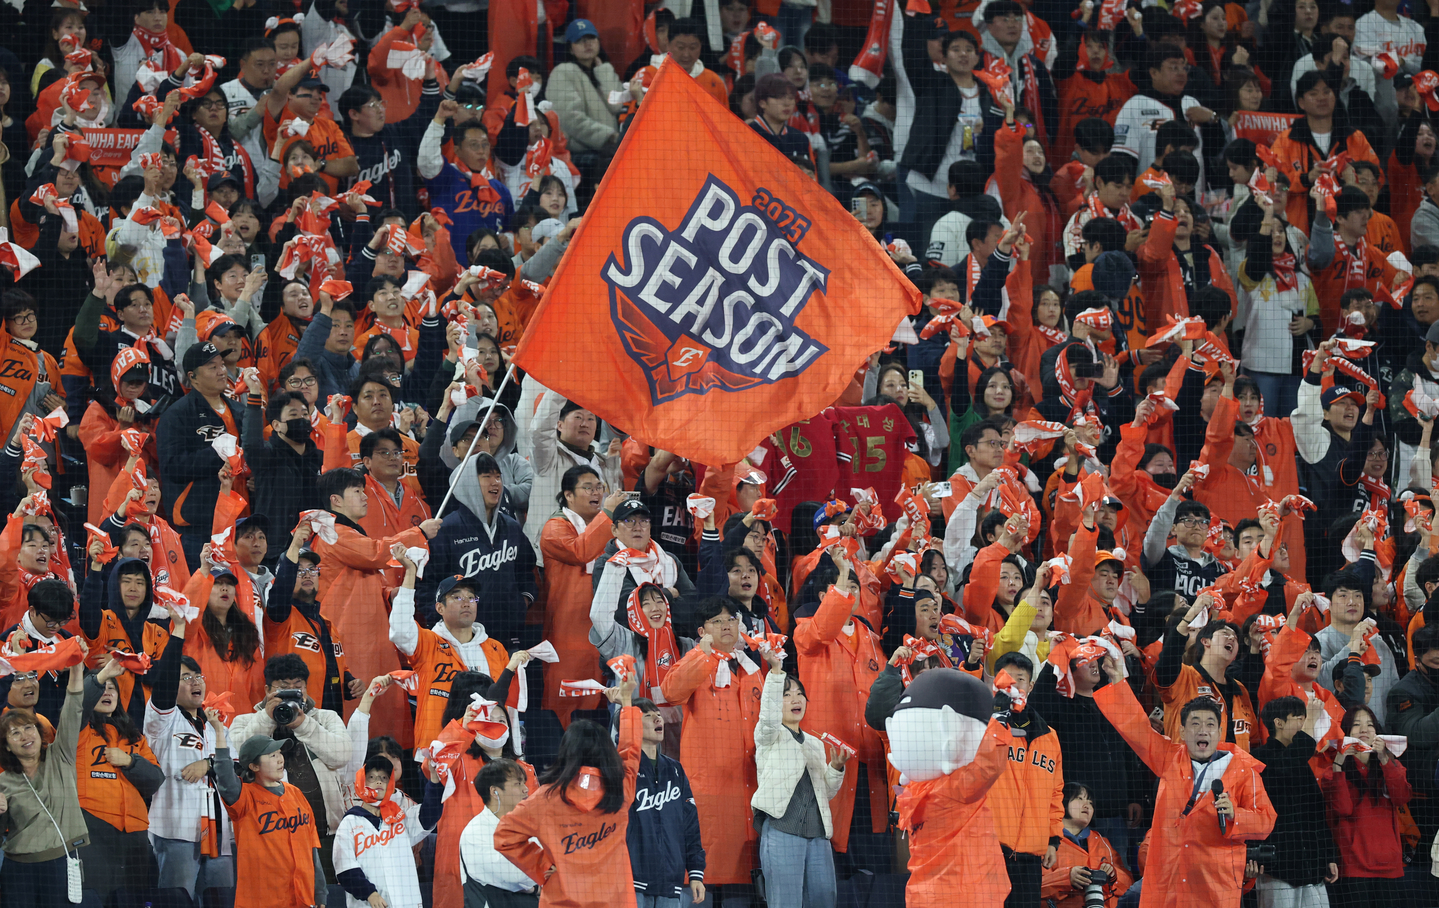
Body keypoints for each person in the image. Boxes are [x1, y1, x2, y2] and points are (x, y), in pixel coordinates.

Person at [1095, 655, 1277, 908]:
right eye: (1195, 724)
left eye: (1210, 724)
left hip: (1214, 885)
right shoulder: (1169, 758)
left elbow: (1265, 820)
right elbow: (1136, 730)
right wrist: (1117, 680)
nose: (1203, 730)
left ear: (1220, 731)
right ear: (1181, 732)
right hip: (1169, 881)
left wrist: (1237, 814)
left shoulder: (1245, 770)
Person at [312, 468, 438, 746]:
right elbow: (376, 553)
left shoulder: (348, 533)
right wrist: (418, 533)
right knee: (363, 709)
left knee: (383, 707)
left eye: (363, 489)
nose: (364, 496)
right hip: (349, 639)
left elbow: (364, 581)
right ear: (335, 500)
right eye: (356, 491)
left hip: (370, 636)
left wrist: (390, 594)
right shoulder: (332, 532)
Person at [493, 675, 642, 908]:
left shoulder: (545, 799)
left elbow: (504, 837)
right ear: (607, 752)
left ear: (565, 752)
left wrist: (541, 866)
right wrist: (627, 703)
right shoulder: (620, 788)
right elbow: (630, 751)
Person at [144, 601, 234, 901]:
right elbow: (165, 682)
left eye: (199, 677)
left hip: (219, 833)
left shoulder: (214, 723)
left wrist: (208, 764)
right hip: (175, 830)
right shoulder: (162, 720)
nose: (196, 682)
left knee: (221, 900)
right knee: (177, 900)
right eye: (186, 678)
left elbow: (234, 764)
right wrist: (179, 631)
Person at [227, 654, 352, 870]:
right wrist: (267, 718)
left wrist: (304, 725)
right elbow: (240, 753)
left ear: (306, 688)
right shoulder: (245, 721)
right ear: (268, 691)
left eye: (297, 686)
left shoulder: (326, 718)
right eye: (283, 687)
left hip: (326, 835)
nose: (292, 692)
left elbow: (341, 755)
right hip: (269, 838)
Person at [389, 548, 513, 749]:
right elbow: (400, 629)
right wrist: (410, 572)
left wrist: (514, 750)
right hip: (437, 752)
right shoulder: (427, 642)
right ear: (439, 608)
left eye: (471, 598)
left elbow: (507, 704)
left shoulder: (496, 649)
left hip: (486, 751)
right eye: (457, 597)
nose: (466, 603)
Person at [0, 637, 89, 908]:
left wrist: (76, 668)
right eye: (15, 733)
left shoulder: (60, 756)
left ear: (40, 733)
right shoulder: (3, 782)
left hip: (61, 865)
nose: (25, 736)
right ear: (6, 745)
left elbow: (73, 710)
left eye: (28, 728)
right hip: (18, 871)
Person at [752, 667, 845, 908]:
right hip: (783, 828)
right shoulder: (768, 735)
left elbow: (825, 792)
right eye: (787, 694)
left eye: (800, 694)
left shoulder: (815, 743)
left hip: (818, 835)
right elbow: (768, 717)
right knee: (786, 902)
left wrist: (835, 768)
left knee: (825, 899)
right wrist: (774, 673)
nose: (796, 699)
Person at [75, 656, 163, 902]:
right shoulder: (79, 731)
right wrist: (100, 677)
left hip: (135, 833)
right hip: (92, 827)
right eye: (102, 688)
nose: (108, 692)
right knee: (94, 898)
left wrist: (130, 762)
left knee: (133, 900)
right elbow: (77, 708)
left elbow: (155, 780)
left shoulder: (134, 737)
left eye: (112, 687)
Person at [213, 732, 324, 908]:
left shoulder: (296, 794)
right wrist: (219, 732)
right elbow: (225, 779)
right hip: (262, 900)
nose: (280, 759)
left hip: (303, 898)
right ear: (254, 766)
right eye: (272, 755)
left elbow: (312, 851)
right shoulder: (245, 798)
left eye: (280, 752)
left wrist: (320, 895)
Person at [1251, 696, 1340, 908]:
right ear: (1278, 722)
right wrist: (1309, 729)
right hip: (1277, 871)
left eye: (1305, 719)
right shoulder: (1258, 758)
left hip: (1312, 868)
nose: (1303, 724)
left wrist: (1328, 855)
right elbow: (1284, 770)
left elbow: (1316, 813)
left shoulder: (1302, 760)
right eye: (1298, 719)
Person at [1323, 706, 1412, 907]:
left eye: (1369, 724)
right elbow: (1343, 808)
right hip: (1354, 868)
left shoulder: (1391, 764)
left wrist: (1384, 760)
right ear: (1346, 732)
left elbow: (1401, 797)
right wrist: (1339, 764)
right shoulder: (1333, 771)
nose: (1364, 729)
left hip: (1390, 866)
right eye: (1356, 725)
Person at [332, 755, 440, 908]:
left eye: (384, 777)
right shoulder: (349, 823)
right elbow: (345, 869)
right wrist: (369, 893)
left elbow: (431, 813)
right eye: (371, 777)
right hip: (369, 904)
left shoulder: (401, 818)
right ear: (362, 781)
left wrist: (434, 780)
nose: (378, 781)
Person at [627, 697, 706, 908]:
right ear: (631, 725)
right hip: (632, 882)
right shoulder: (624, 769)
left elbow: (690, 825)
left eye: (658, 714)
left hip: (670, 882)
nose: (657, 718)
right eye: (648, 715)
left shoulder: (675, 770)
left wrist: (696, 873)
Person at [458, 758, 540, 906]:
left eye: (523, 782)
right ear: (495, 792)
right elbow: (514, 874)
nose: (526, 789)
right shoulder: (475, 832)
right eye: (518, 783)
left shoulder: (529, 825)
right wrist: (535, 886)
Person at [1038, 783, 1134, 908]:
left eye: (1090, 803)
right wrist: (1067, 878)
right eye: (1079, 798)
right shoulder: (1047, 841)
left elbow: (1129, 883)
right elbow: (1033, 887)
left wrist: (1113, 875)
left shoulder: (1102, 842)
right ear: (1061, 801)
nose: (1087, 805)